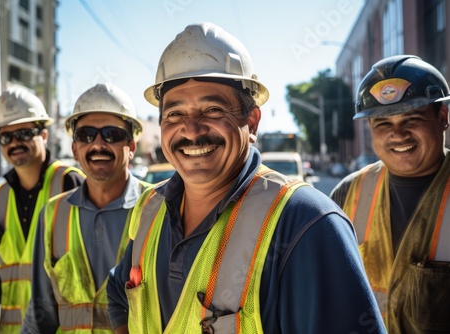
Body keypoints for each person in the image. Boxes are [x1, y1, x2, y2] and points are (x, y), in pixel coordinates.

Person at [106, 22, 386, 333]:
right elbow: (119, 291)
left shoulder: (306, 223)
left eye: (212, 109)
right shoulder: (150, 209)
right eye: (175, 114)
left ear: (251, 123)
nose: (192, 129)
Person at [330, 55, 450, 333]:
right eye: (383, 123)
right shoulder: (347, 195)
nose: (398, 134)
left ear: (442, 117)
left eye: (413, 117)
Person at [21, 83, 149, 333]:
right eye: (86, 135)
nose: (98, 144)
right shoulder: (53, 214)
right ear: (75, 149)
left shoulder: (157, 207)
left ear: (131, 146)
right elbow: (40, 309)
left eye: (111, 134)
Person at [0, 87, 85, 334]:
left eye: (23, 133)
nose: (14, 143)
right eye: (5, 137)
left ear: (44, 135)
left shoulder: (71, 183)